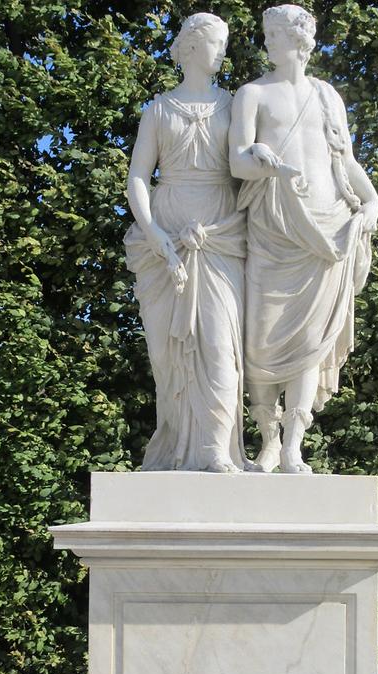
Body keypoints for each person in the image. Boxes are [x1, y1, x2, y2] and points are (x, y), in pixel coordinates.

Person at [229, 4, 378, 473]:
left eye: (273, 34)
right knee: (259, 341)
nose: (266, 42)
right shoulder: (252, 93)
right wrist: (263, 158)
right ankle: (266, 437)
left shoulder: (327, 96)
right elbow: (237, 162)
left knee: (312, 342)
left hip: (329, 226)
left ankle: (292, 443)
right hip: (274, 224)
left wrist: (371, 201)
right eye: (266, 33)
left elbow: (345, 160)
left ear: (297, 39)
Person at [125, 13, 249, 472]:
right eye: (217, 44)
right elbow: (138, 176)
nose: (222, 52)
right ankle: (178, 445)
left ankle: (216, 448)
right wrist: (157, 236)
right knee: (166, 353)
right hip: (166, 233)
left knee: (219, 344)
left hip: (220, 232)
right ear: (193, 48)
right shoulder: (159, 110)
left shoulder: (235, 105)